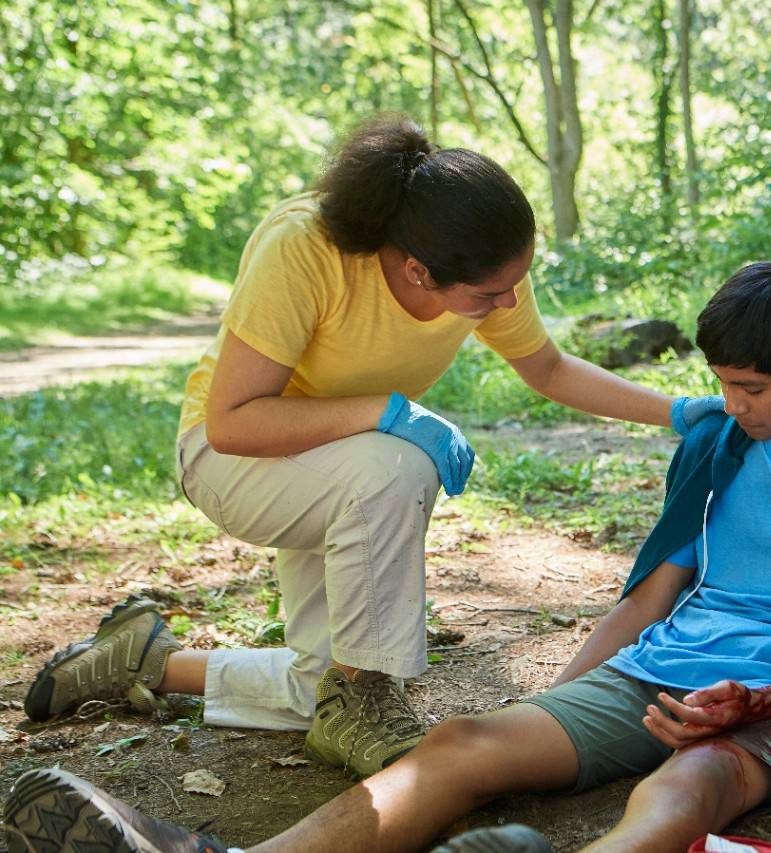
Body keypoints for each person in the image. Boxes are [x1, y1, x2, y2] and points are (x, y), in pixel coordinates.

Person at [2, 260, 771, 853]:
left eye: (748, 390)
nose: (726, 408)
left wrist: (764, 700)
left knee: (684, 796)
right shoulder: (722, 440)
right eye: (719, 385)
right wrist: (564, 699)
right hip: (661, 668)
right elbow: (653, 591)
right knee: (465, 742)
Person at [19, 112, 723, 779]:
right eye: (490, 294)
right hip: (232, 458)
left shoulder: (481, 261)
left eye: (514, 283)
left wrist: (679, 411)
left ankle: (145, 659)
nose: (508, 303)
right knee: (396, 464)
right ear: (418, 269)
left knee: (312, 689)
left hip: (338, 471)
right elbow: (231, 420)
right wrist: (388, 411)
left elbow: (547, 367)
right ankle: (366, 698)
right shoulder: (305, 248)